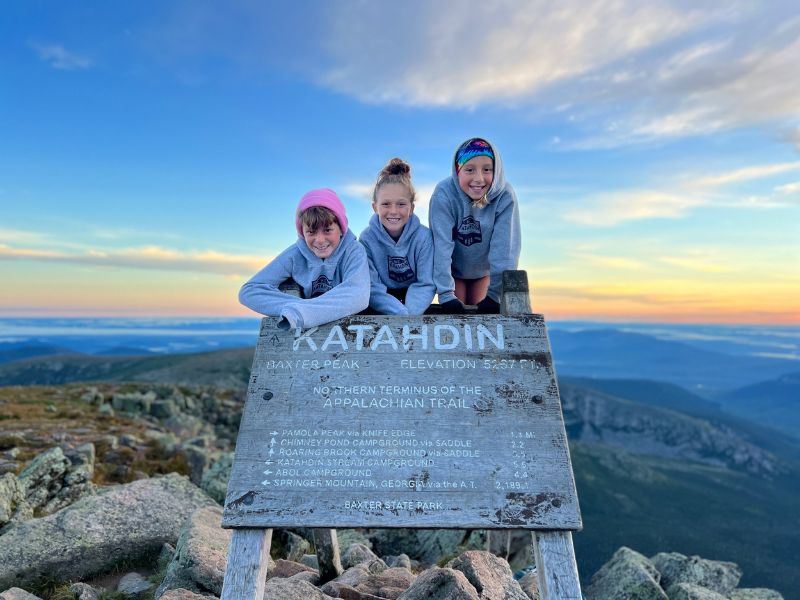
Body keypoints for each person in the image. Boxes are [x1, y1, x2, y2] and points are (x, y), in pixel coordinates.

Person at [239, 188, 370, 329]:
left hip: (350, 333)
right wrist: (300, 307)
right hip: (308, 339)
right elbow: (250, 291)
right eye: (311, 232)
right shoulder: (295, 254)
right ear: (302, 232)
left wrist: (303, 313)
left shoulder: (354, 251)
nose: (319, 240)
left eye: (327, 230)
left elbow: (358, 296)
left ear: (341, 228)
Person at [428, 137, 521, 314]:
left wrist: (495, 295)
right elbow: (441, 246)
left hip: (482, 271)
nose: (478, 178)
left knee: (480, 314)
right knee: (458, 316)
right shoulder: (444, 194)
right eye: (469, 170)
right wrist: (446, 294)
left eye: (487, 169)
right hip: (453, 270)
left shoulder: (505, 196)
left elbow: (505, 248)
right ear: (458, 171)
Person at [359, 158, 435, 315]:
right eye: (386, 204)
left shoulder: (423, 237)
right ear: (375, 207)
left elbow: (426, 283)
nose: (393, 211)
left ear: (411, 207)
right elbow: (371, 286)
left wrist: (408, 317)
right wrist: (398, 315)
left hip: (414, 303)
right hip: (383, 300)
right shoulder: (367, 239)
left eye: (401, 204)